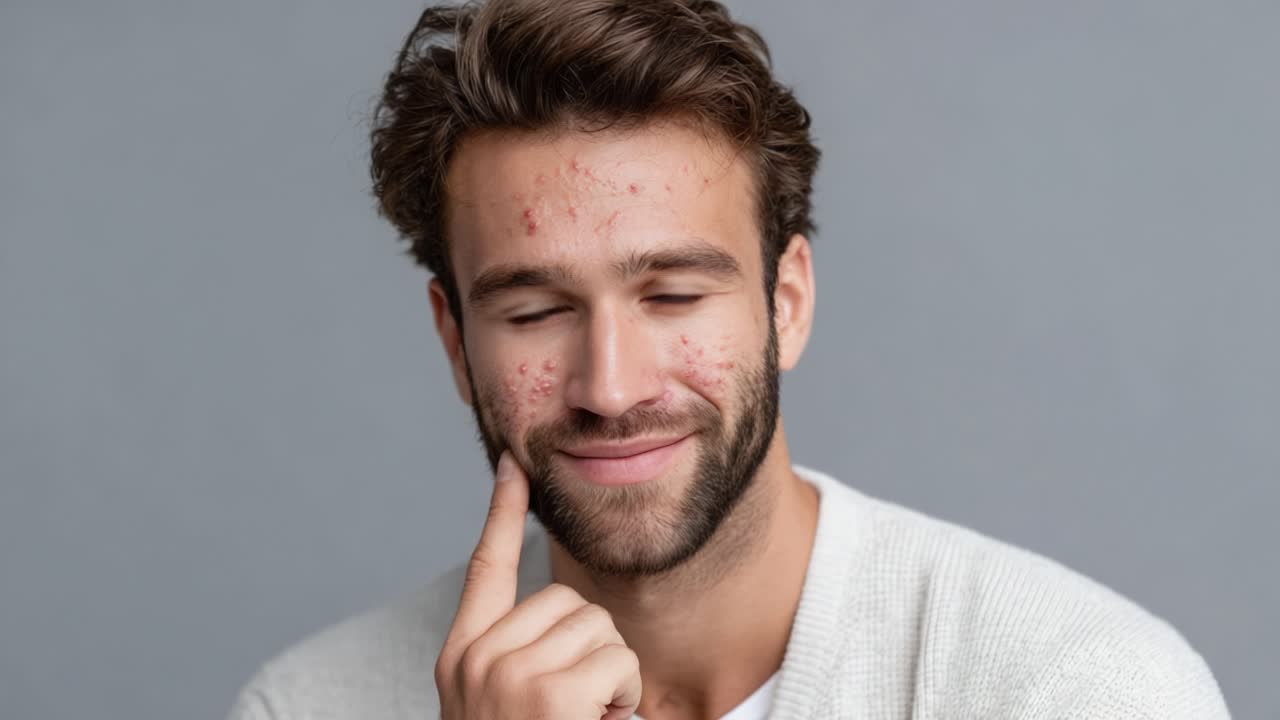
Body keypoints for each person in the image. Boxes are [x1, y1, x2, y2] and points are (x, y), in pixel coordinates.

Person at [228, 1, 1230, 718]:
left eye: (671, 296)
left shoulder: (1077, 688)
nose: (609, 387)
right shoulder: (310, 704)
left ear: (783, 304)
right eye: (533, 310)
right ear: (455, 343)